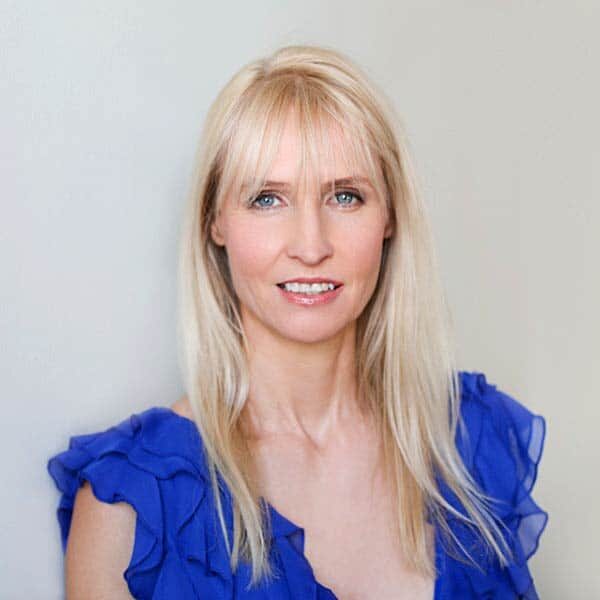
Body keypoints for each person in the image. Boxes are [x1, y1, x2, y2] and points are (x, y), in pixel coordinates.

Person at [47, 44, 548, 599]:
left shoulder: (472, 445)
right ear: (215, 221)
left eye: (345, 196)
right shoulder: (129, 506)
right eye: (267, 199)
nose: (311, 246)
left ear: (390, 217)